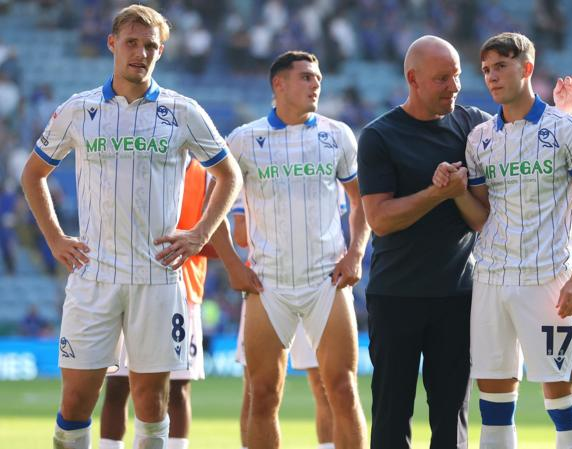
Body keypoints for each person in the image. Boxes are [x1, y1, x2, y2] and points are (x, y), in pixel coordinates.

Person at [20, 5, 246, 448]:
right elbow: (32, 174)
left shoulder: (182, 111)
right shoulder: (79, 110)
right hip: (94, 275)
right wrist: (54, 237)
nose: (140, 53)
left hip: (157, 278)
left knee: (151, 400)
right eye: (132, 43)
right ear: (112, 44)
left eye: (150, 46)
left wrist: (199, 233)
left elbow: (229, 175)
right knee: (77, 400)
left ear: (160, 52)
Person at [357, 34, 572, 449]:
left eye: (459, 76)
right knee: (392, 415)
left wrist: (562, 116)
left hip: (459, 294)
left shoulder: (471, 125)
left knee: (453, 417)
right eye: (443, 79)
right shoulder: (380, 136)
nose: (455, 87)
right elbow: (379, 219)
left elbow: (522, 135)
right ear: (414, 79)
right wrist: (436, 193)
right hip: (397, 295)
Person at [432, 32, 572, 449]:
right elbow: (480, 218)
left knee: (563, 401)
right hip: (490, 280)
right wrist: (455, 192)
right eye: (487, 69)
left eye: (501, 66)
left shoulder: (568, 129)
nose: (492, 76)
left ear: (526, 68)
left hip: (548, 280)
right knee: (493, 401)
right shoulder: (480, 139)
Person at [226, 50, 369, 449]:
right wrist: (233, 265)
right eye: (306, 77)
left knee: (341, 388)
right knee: (263, 395)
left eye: (318, 78)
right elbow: (213, 210)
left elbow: (361, 203)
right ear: (279, 84)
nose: (315, 84)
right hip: (268, 283)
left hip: (326, 280)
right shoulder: (243, 140)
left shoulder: (338, 134)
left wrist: (355, 252)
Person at [98, 160, 259, 449]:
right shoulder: (139, 161)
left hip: (185, 292)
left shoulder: (209, 175)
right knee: (118, 384)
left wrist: (189, 241)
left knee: (177, 388)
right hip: (130, 284)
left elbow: (217, 241)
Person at [232, 202, 335, 449]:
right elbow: (240, 235)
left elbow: (329, 220)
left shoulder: (324, 162)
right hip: (265, 285)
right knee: (257, 390)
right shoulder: (250, 163)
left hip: (316, 284)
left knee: (328, 387)